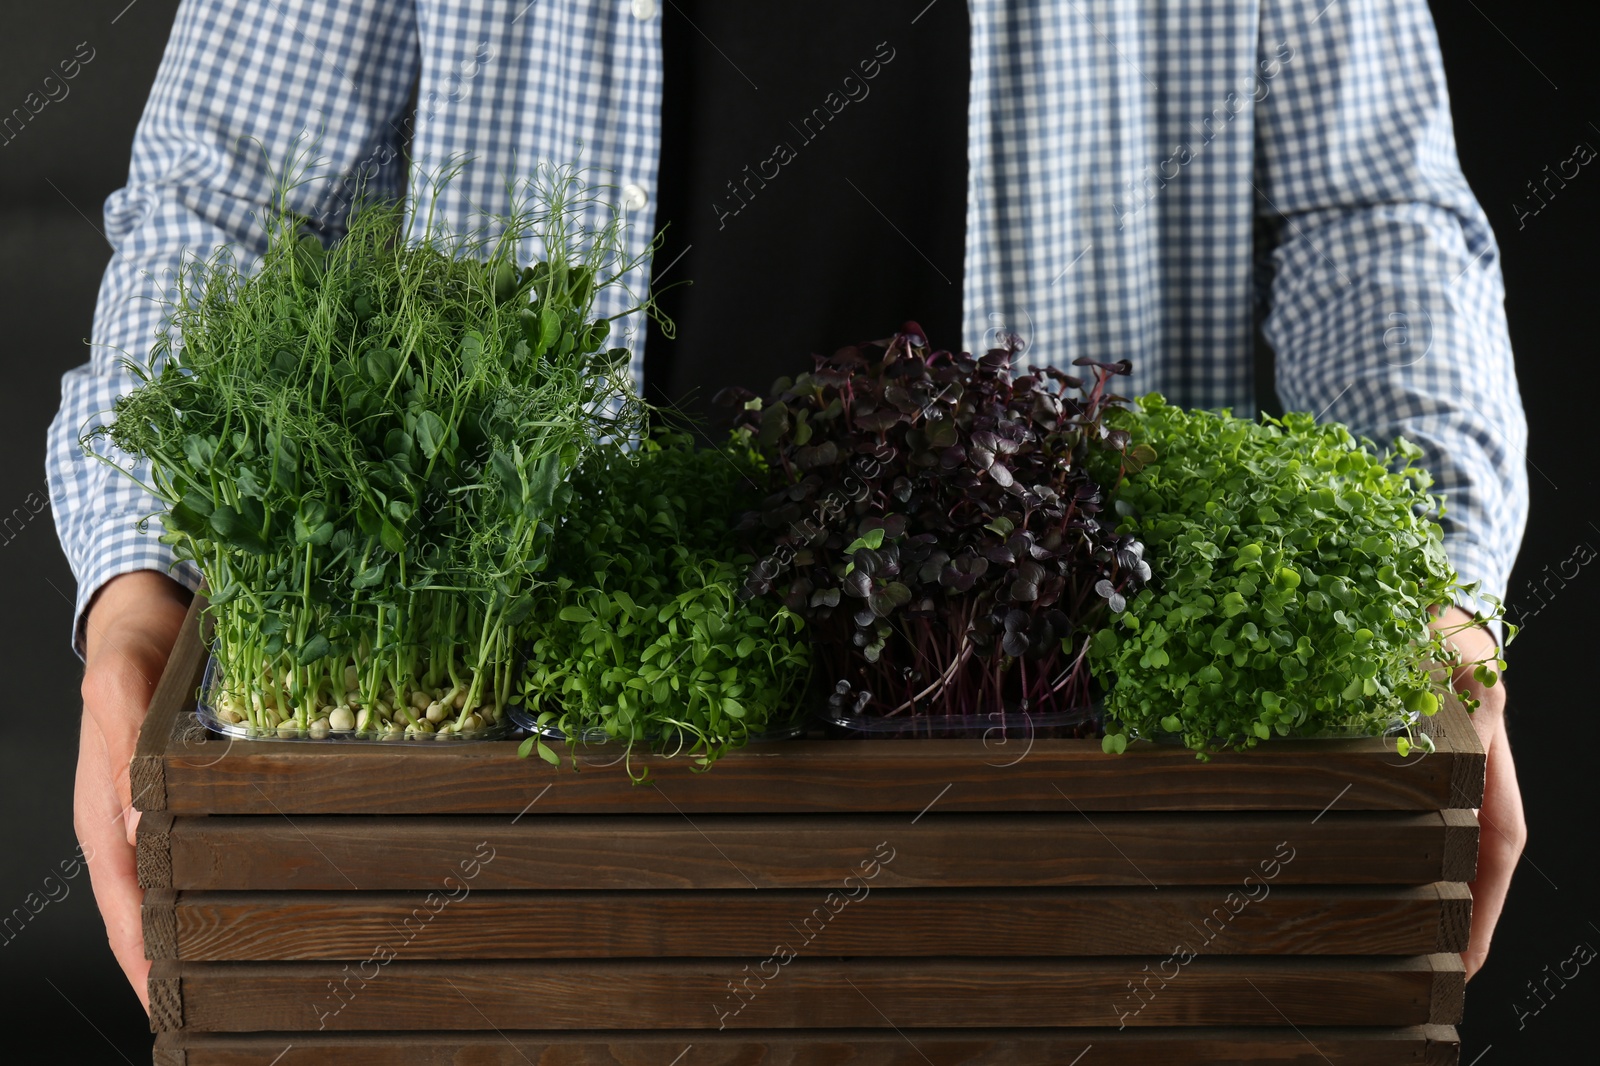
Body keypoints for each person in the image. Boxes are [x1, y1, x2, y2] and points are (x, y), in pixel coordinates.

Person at [47, 0, 1527, 1011]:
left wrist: (1442, 595)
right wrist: (143, 593)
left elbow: (1371, 210)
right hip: (534, 821)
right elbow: (224, 199)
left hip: (1094, 839)